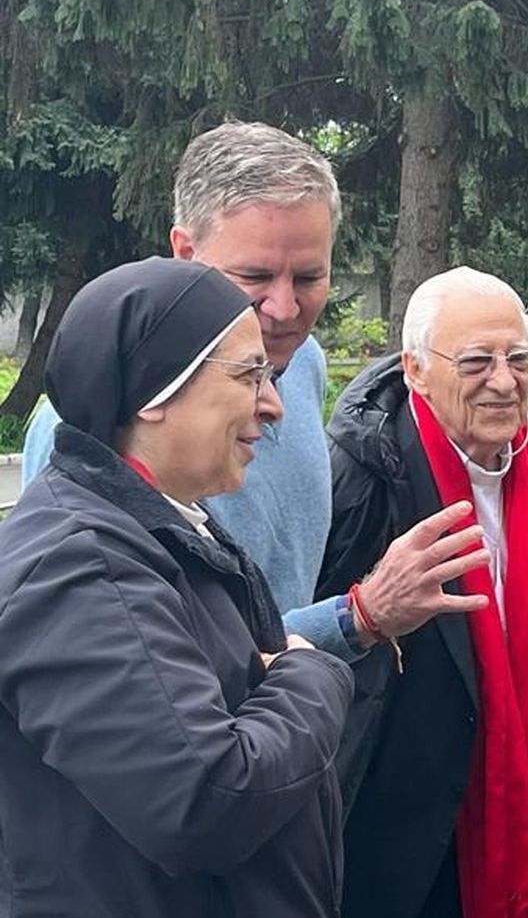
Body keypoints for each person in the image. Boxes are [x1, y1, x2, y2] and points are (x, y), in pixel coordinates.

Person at [0, 257, 353, 918]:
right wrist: (312, 673)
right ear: (155, 392)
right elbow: (205, 800)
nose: (273, 406)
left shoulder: (157, 529)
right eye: (249, 375)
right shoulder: (80, 567)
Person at [21, 121, 486, 662]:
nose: (284, 310)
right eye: (255, 276)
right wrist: (356, 617)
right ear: (184, 251)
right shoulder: (88, 422)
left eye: (308, 278)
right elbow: (107, 656)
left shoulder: (304, 362)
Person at [316, 266, 528, 918]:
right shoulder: (361, 472)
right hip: (402, 843)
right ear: (415, 369)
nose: (505, 382)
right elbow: (323, 652)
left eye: (519, 358)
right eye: (476, 361)